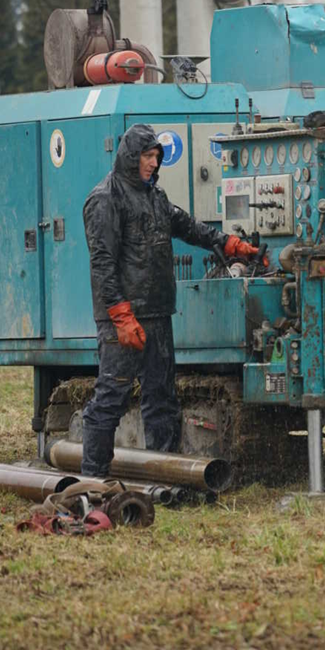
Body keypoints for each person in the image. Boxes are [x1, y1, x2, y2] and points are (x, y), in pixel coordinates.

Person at [81, 122, 261, 477]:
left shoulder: (156, 197)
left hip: (157, 314)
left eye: (156, 156)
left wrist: (229, 244)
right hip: (123, 320)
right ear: (131, 157)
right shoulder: (104, 199)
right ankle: (92, 480)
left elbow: (189, 227)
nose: (153, 163)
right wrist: (120, 316)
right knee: (111, 399)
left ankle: (163, 480)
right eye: (147, 156)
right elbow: (102, 263)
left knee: (163, 401)